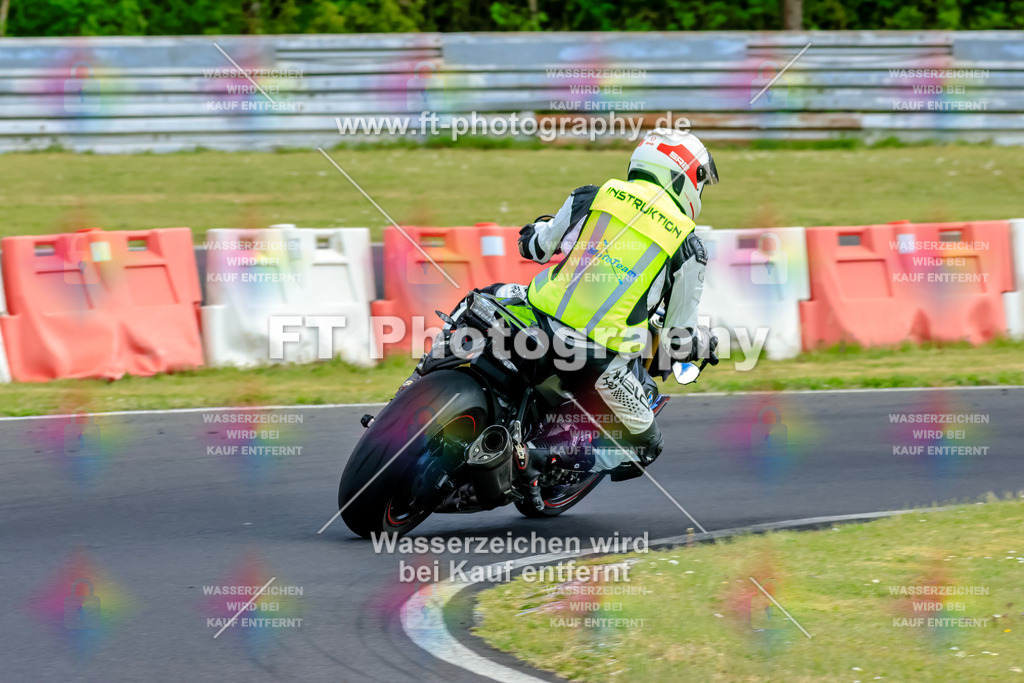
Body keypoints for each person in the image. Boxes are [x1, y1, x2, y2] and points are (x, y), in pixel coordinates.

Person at [516, 128, 719, 501]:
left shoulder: (592, 195)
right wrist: (703, 344)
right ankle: (539, 455)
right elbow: (677, 339)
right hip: (596, 357)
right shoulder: (688, 243)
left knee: (482, 303)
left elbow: (538, 246)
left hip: (536, 317)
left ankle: (420, 380)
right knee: (645, 445)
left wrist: (529, 236)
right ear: (687, 180)